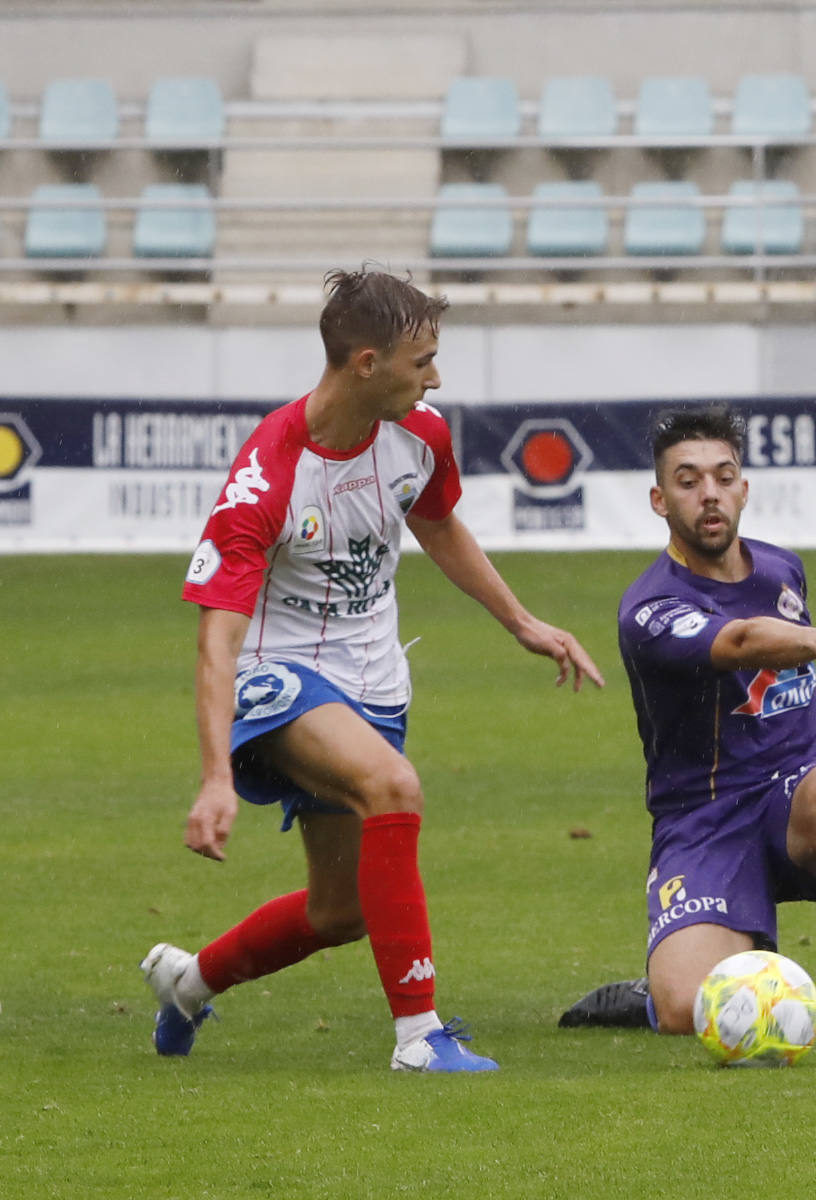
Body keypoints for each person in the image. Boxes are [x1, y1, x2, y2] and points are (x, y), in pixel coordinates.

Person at [142, 266, 604, 1073]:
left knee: (341, 911)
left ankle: (189, 983)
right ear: (365, 363)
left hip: (375, 683)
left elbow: (439, 522)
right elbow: (217, 639)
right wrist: (216, 777)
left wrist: (522, 621)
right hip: (277, 677)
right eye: (421, 359)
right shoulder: (267, 478)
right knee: (395, 787)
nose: (435, 376)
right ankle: (420, 1040)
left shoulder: (420, 433)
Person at [558, 405, 816, 1043]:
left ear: (744, 488)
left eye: (723, 476)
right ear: (659, 499)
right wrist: (812, 637)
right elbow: (739, 642)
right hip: (704, 819)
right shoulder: (650, 607)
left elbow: (800, 691)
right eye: (688, 481)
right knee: (689, 1010)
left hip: (790, 798)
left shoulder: (781, 569)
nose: (708, 494)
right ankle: (652, 993)